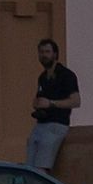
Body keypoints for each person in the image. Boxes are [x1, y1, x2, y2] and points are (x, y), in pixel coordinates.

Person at [26, 38, 80, 173]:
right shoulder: (42, 77)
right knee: (29, 168)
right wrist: (37, 104)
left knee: (41, 168)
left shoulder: (66, 75)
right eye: (41, 52)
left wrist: (51, 103)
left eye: (47, 52)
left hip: (56, 125)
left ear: (55, 54)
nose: (44, 55)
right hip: (40, 124)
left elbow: (76, 101)